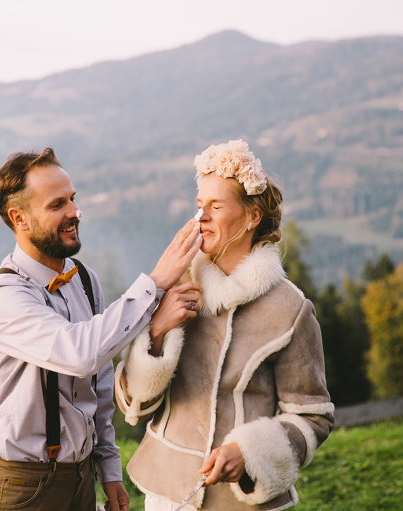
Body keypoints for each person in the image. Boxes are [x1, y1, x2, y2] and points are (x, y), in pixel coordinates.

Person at [0, 147, 202, 511]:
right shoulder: (1, 295)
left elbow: (99, 384)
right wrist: (155, 283)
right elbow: (79, 354)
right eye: (57, 204)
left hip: (79, 480)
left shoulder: (85, 280)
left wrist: (108, 469)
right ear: (20, 218)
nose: (75, 213)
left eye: (73, 199)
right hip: (19, 485)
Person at [114, 140, 335, 510]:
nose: (201, 217)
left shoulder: (292, 309)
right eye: (200, 206)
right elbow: (134, 405)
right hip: (168, 496)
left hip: (244, 502)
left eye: (216, 206)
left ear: (252, 217)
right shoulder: (175, 287)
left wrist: (247, 452)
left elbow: (313, 417)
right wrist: (155, 332)